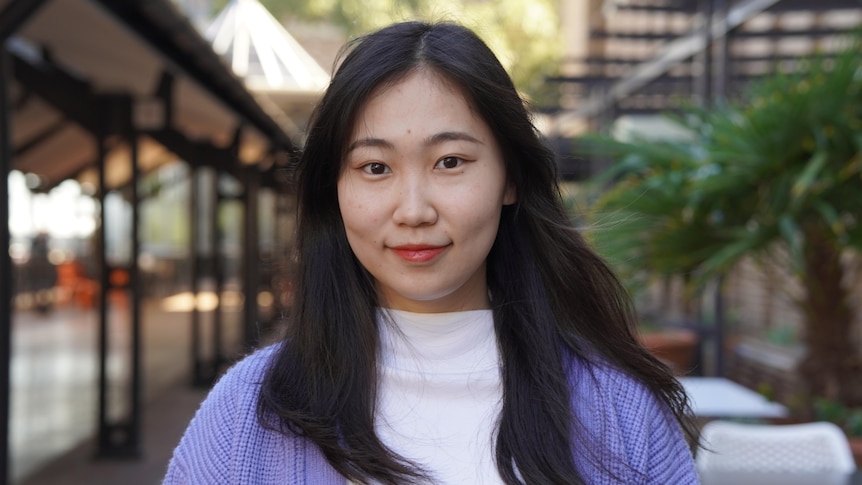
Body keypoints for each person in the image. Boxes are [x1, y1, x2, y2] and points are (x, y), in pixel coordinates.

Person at [164, 20, 699, 485]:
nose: (413, 210)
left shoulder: (622, 416)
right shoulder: (248, 414)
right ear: (335, 189)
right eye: (375, 167)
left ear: (509, 178)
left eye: (450, 162)